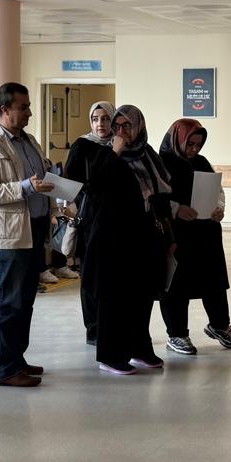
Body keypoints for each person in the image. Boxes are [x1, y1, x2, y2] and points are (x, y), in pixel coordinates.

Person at [0, 82, 54, 388]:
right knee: (7, 303)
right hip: (9, 237)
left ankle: (17, 359)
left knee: (25, 301)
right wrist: (25, 187)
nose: (29, 112)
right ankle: (4, 370)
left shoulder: (30, 141)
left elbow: (41, 177)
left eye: (29, 106)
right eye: (23, 107)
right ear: (5, 109)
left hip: (35, 229)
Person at [87, 105, 173, 376]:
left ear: (139, 127)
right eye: (118, 126)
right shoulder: (105, 154)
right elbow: (97, 187)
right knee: (114, 298)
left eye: (128, 126)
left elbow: (161, 195)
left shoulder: (148, 154)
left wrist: (169, 235)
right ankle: (110, 355)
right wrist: (115, 151)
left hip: (145, 234)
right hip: (113, 237)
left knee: (142, 294)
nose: (122, 131)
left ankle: (139, 348)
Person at [158, 118, 231, 355]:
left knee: (214, 281)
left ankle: (219, 325)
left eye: (198, 145)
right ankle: (177, 334)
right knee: (177, 284)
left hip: (205, 232)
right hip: (177, 233)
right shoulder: (162, 163)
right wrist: (176, 209)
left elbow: (217, 190)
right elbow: (155, 196)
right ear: (177, 139)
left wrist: (218, 208)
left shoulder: (201, 162)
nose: (194, 149)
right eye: (190, 144)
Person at [65, 100, 115, 345]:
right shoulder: (82, 145)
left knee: (112, 277)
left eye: (105, 118)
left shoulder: (121, 144)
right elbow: (70, 181)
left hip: (116, 219)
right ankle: (93, 328)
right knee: (89, 275)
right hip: (90, 219)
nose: (100, 124)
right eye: (95, 119)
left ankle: (111, 325)